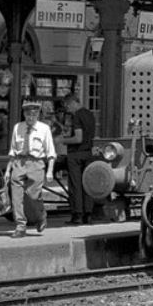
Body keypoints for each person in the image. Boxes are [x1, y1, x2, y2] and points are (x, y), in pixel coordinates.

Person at [7, 100, 56, 238]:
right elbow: (13, 150)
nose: (30, 118)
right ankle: (20, 225)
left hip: (36, 163)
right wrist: (7, 170)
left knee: (33, 195)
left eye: (33, 115)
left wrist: (50, 171)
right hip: (20, 162)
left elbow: (51, 152)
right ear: (24, 114)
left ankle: (41, 216)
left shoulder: (44, 129)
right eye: (28, 115)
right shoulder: (18, 127)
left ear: (38, 115)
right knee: (16, 196)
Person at [60, 92, 99, 224]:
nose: (67, 109)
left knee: (75, 185)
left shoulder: (76, 116)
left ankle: (77, 215)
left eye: (67, 106)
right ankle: (88, 214)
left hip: (76, 154)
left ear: (72, 103)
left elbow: (78, 138)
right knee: (87, 183)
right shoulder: (90, 115)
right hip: (88, 153)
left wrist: (63, 140)